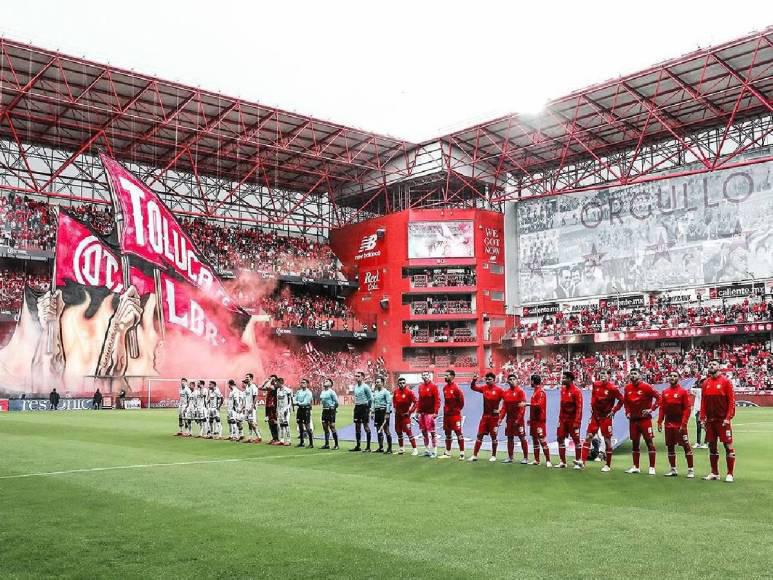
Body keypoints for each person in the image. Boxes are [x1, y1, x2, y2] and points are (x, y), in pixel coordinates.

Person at [579, 369, 623, 472]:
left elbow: (622, 400)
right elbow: (593, 395)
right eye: (601, 373)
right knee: (589, 436)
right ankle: (582, 462)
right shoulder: (596, 384)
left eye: (605, 374)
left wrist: (614, 410)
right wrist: (592, 405)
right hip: (595, 416)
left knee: (607, 440)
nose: (602, 375)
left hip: (606, 417)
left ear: (609, 376)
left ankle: (607, 465)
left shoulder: (612, 388)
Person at [700, 360, 736, 482]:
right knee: (712, 446)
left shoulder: (726, 381)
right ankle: (714, 472)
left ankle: (730, 473)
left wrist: (728, 418)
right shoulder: (705, 383)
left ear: (719, 367)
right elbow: (703, 402)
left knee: (728, 446)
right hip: (710, 421)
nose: (711, 366)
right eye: (709, 364)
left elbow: (731, 402)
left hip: (722, 421)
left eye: (714, 364)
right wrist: (702, 418)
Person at [623, 369, 661, 475]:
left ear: (640, 375)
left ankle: (652, 467)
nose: (633, 375)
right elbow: (625, 402)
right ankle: (636, 467)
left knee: (649, 442)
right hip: (633, 420)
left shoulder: (646, 387)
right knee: (635, 443)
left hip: (645, 420)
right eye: (631, 374)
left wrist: (651, 409)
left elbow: (659, 398)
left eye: (635, 374)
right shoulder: (627, 388)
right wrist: (627, 412)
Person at [658, 371, 695, 478]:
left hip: (680, 424)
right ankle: (673, 469)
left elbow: (687, 409)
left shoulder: (683, 392)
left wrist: (683, 423)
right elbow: (662, 408)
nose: (672, 377)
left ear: (678, 378)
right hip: (668, 424)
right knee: (670, 446)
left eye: (675, 376)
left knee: (686, 446)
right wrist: (660, 421)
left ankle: (690, 470)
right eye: (671, 375)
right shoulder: (665, 392)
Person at [469, 372, 504, 462]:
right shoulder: (484, 388)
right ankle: (474, 455)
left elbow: (506, 400)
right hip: (485, 416)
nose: (487, 381)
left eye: (490, 379)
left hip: (494, 417)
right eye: (486, 379)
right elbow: (473, 387)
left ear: (494, 380)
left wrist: (500, 410)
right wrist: (474, 380)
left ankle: (493, 456)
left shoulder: (499, 390)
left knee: (493, 436)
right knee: (479, 435)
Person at [499, 373, 528, 464]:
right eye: (510, 379)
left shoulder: (520, 392)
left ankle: (525, 458)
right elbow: (504, 408)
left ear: (517, 380)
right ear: (507, 381)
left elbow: (522, 407)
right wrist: (500, 418)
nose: (511, 381)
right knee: (509, 438)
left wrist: (518, 419)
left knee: (522, 437)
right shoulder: (506, 393)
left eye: (513, 379)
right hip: (509, 419)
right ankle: (510, 457)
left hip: (519, 420)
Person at [556, 371, 583, 469]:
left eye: (564, 378)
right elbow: (561, 406)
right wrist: (560, 419)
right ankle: (563, 462)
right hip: (563, 419)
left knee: (576, 440)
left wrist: (577, 421)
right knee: (560, 438)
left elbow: (579, 407)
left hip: (573, 420)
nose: (562, 380)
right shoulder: (562, 390)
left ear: (570, 379)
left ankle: (578, 462)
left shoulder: (577, 391)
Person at [439, 369, 465, 460]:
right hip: (447, 415)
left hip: (455, 415)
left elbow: (461, 402)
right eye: (445, 375)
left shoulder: (456, 388)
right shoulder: (445, 388)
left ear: (452, 376)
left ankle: (462, 453)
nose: (445, 377)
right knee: (447, 433)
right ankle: (448, 453)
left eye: (447, 375)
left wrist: (456, 410)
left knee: (458, 433)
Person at [529, 374, 552, 467]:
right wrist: (530, 418)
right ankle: (536, 460)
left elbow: (539, 405)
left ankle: (548, 460)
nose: (530, 382)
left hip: (539, 420)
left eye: (531, 381)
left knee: (542, 439)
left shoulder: (541, 392)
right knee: (534, 439)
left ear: (533, 381)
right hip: (534, 420)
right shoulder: (535, 391)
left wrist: (527, 404)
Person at [392, 377, 418, 455]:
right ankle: (401, 448)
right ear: (398, 384)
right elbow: (394, 400)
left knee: (408, 432)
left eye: (403, 383)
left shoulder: (409, 392)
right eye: (400, 383)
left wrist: (410, 411)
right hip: (398, 415)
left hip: (405, 416)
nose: (402, 384)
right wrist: (395, 407)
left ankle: (415, 449)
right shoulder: (396, 392)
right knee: (398, 432)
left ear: (405, 383)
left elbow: (416, 402)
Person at [416, 371, 440, 457]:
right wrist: (417, 411)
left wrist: (436, 412)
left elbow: (437, 400)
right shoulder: (420, 386)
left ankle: (434, 450)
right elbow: (420, 400)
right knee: (423, 432)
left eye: (426, 375)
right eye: (423, 375)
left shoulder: (434, 386)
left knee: (432, 432)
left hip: (430, 413)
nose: (425, 376)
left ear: (429, 376)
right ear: (422, 377)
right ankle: (427, 449)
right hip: (422, 413)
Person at [350, 371, 373, 452]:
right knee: (357, 427)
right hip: (357, 407)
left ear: (363, 377)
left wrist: (369, 409)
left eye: (358, 376)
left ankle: (368, 447)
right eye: (356, 376)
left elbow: (370, 399)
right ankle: (358, 446)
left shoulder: (365, 387)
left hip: (364, 407)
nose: (356, 377)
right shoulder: (355, 386)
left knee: (366, 426)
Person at [373, 377, 393, 454]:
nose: (377, 383)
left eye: (378, 382)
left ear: (382, 383)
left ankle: (389, 448)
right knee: (378, 429)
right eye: (376, 382)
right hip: (377, 411)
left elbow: (389, 403)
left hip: (383, 411)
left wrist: (387, 413)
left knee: (386, 430)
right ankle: (381, 447)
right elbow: (374, 402)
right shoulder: (375, 392)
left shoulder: (386, 392)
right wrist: (372, 411)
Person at [319, 378, 339, 450]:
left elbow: (337, 402)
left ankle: (336, 444)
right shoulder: (322, 392)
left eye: (327, 381)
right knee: (325, 426)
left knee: (332, 427)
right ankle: (327, 444)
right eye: (325, 381)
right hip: (324, 410)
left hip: (330, 411)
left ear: (330, 384)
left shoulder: (332, 392)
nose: (325, 381)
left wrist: (333, 408)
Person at [294, 379, 314, 448]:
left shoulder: (309, 392)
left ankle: (311, 443)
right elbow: (294, 399)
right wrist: (297, 402)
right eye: (301, 382)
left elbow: (306, 402)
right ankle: (302, 442)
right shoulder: (298, 392)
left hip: (306, 410)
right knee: (300, 426)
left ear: (307, 384)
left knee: (307, 427)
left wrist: (298, 403)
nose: (302, 384)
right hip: (300, 409)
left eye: (304, 382)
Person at [243, 373, 262, 443]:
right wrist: (244, 406)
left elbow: (255, 397)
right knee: (249, 422)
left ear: (251, 378)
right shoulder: (247, 386)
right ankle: (250, 437)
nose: (246, 378)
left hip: (251, 407)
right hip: (247, 407)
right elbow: (247, 397)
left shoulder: (253, 386)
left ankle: (259, 437)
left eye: (247, 377)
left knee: (252, 422)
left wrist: (252, 406)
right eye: (246, 377)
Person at [276, 378, 294, 446]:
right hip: (280, 409)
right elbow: (278, 401)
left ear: (280, 382)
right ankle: (282, 440)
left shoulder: (288, 390)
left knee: (286, 424)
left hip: (285, 410)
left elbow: (290, 401)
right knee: (280, 425)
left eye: (277, 382)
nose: (276, 384)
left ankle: (289, 440)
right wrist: (277, 410)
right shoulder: (278, 390)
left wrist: (287, 409)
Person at [262, 375, 279, 444]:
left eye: (271, 379)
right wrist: (266, 381)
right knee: (270, 422)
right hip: (268, 406)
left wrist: (270, 380)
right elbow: (262, 387)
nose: (270, 380)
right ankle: (273, 438)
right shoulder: (269, 385)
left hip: (273, 406)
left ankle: (277, 438)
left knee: (274, 422)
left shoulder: (275, 386)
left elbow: (266, 387)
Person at [691, 379, 705, 448]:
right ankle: (698, 442)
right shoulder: (698, 390)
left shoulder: (705, 390)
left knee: (705, 427)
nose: (701, 384)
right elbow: (689, 389)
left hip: (705, 411)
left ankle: (706, 442)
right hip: (699, 411)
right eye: (701, 382)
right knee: (699, 427)